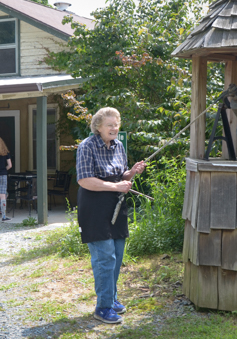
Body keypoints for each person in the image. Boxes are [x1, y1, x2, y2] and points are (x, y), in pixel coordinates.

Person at [76, 107, 146, 324]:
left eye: (116, 124)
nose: (114, 128)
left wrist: (131, 172)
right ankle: (103, 307)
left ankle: (111, 298)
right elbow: (85, 180)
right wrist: (117, 186)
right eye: (109, 125)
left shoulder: (118, 145)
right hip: (94, 208)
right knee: (105, 257)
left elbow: (120, 173)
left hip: (116, 206)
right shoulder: (86, 146)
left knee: (116, 256)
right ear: (98, 127)